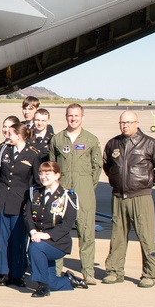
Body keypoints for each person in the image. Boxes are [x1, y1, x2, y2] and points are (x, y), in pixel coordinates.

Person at [102, 111, 155, 288]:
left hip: (141, 197)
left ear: (137, 123)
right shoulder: (113, 144)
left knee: (146, 237)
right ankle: (114, 271)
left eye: (129, 122)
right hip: (118, 197)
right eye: (122, 123)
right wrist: (117, 181)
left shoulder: (150, 144)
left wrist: (146, 183)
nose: (125, 126)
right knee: (117, 236)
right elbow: (107, 166)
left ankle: (149, 274)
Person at [49, 104, 101, 285]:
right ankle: (56, 270)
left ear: (82, 117)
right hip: (62, 193)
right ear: (66, 117)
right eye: (70, 115)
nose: (73, 119)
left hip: (84, 192)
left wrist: (87, 186)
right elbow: (52, 165)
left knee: (86, 232)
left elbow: (97, 167)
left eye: (76, 115)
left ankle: (88, 272)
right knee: (58, 231)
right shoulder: (57, 139)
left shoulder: (91, 139)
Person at [26, 161, 88, 297]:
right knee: (52, 283)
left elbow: (67, 224)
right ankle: (69, 280)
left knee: (34, 248)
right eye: (41, 173)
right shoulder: (35, 193)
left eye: (47, 174)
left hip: (57, 242)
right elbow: (28, 216)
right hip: (38, 238)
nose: (43, 177)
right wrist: (33, 232)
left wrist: (46, 235)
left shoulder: (67, 196)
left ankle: (42, 287)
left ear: (57, 175)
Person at [0, 122, 42, 288]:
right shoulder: (3, 150)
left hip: (20, 203)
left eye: (10, 134)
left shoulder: (33, 154)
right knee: (3, 240)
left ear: (19, 136)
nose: (7, 136)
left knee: (19, 240)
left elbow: (36, 181)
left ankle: (17, 274)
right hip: (2, 200)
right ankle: (4, 272)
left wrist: (32, 203)